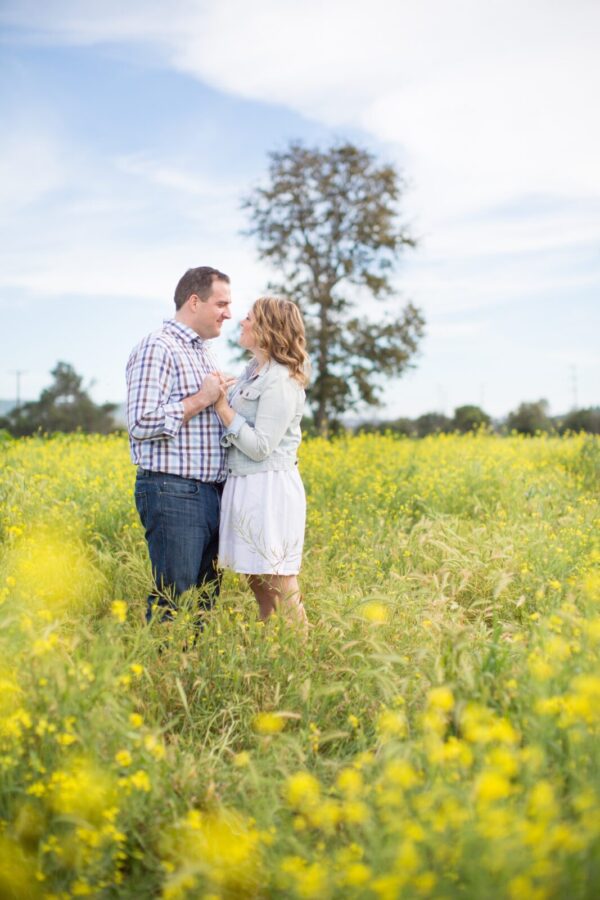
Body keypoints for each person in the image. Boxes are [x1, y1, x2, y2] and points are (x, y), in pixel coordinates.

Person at [126, 266, 232, 623]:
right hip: (174, 492)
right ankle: (161, 674)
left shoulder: (202, 352)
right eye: (221, 303)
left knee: (204, 603)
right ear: (193, 301)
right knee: (175, 600)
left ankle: (192, 676)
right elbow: (141, 423)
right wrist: (202, 399)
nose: (228, 313)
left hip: (209, 493)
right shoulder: (158, 347)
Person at [213, 296, 309, 626]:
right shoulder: (253, 373)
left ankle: (300, 660)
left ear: (268, 328)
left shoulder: (281, 380)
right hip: (245, 484)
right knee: (257, 578)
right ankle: (275, 657)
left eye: (250, 318)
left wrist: (223, 409)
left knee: (279, 581)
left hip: (269, 487)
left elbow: (261, 447)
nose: (241, 322)